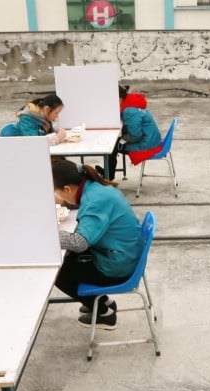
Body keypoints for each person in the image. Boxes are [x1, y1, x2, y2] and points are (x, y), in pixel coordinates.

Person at [52, 159, 142, 330]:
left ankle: (104, 313)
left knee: (58, 272)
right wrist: (64, 203)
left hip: (118, 266)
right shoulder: (94, 187)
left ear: (67, 189)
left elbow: (80, 243)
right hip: (122, 252)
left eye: (57, 194)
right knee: (69, 259)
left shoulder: (95, 202)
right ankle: (103, 300)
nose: (58, 198)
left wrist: (48, 235)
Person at [103, 85, 163, 181]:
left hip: (147, 144)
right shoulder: (132, 103)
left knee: (113, 146)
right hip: (151, 138)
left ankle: (108, 176)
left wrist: (122, 139)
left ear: (120, 98)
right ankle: (108, 172)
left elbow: (136, 136)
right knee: (116, 142)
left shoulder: (129, 111)